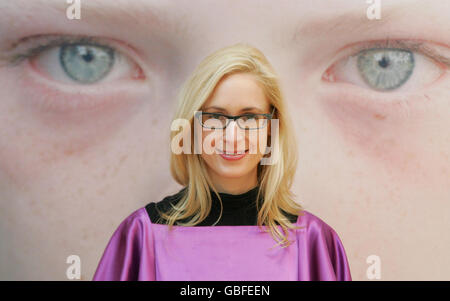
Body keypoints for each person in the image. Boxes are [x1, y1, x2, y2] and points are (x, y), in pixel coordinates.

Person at [92, 43, 352, 281]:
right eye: (215, 118)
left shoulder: (312, 240)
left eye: (249, 118)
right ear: (192, 126)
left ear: (272, 127)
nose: (232, 137)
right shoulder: (143, 234)